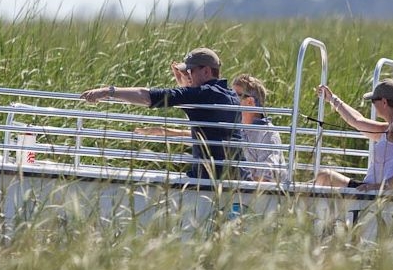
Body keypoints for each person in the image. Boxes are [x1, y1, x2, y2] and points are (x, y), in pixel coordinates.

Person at [81, 47, 241, 181]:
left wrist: (108, 91)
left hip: (210, 178)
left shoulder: (201, 94)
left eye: (190, 72)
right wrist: (186, 87)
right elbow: (200, 108)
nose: (188, 77)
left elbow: (147, 96)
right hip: (238, 175)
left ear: (206, 71)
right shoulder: (230, 94)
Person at [314, 79, 393, 192]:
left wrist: (381, 187)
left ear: (384, 102)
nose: (373, 105)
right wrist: (332, 99)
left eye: (373, 101)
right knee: (324, 176)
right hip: (372, 190)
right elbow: (357, 121)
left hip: (380, 194)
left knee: (323, 178)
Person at [231, 74, 288, 184]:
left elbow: (266, 179)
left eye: (235, 96)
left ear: (250, 102)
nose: (231, 99)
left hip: (262, 197)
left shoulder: (267, 134)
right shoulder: (239, 128)